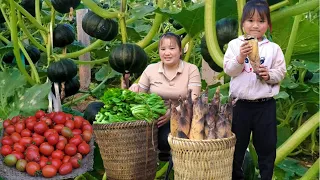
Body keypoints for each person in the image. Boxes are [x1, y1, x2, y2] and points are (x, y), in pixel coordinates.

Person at [223, 1, 286, 180]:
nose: (255, 25)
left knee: (267, 147)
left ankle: (266, 177)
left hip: (265, 106)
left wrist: (269, 75)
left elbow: (280, 72)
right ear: (242, 23)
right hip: (239, 105)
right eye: (250, 20)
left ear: (268, 25)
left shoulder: (274, 49)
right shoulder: (235, 45)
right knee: (236, 148)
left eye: (261, 21)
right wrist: (240, 57)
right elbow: (229, 70)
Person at [128, 32, 201, 159]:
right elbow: (140, 95)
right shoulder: (151, 69)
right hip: (156, 117)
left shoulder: (191, 69)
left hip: (184, 116)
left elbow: (193, 99)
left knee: (165, 140)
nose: (167, 53)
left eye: (172, 48)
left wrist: (172, 113)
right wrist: (133, 90)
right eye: (163, 49)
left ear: (180, 51)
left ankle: (175, 159)